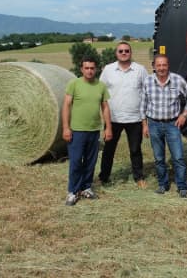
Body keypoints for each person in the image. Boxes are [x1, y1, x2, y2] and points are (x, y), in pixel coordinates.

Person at [140, 54, 187, 198]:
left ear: (168, 65)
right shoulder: (148, 81)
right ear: (154, 66)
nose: (161, 68)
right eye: (158, 65)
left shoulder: (177, 80)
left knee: (178, 157)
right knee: (159, 158)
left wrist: (184, 115)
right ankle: (162, 185)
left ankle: (182, 187)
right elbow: (143, 104)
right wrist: (144, 125)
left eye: (164, 65)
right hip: (154, 124)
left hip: (172, 124)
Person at [62, 56, 112, 206]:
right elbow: (66, 106)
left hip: (94, 130)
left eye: (92, 68)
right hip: (76, 131)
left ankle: (86, 188)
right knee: (76, 162)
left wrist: (108, 127)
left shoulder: (101, 86)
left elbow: (105, 107)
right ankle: (73, 191)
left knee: (91, 162)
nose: (89, 71)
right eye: (87, 68)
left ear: (96, 69)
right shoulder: (74, 84)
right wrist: (65, 127)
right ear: (81, 69)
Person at [98, 42, 148, 188]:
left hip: (135, 119)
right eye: (121, 51)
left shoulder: (140, 70)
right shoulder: (108, 70)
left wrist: (146, 120)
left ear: (131, 53)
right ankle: (104, 177)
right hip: (113, 118)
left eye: (127, 51)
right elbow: (101, 92)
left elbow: (147, 92)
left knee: (135, 150)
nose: (124, 53)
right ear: (116, 53)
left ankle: (138, 177)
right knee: (108, 150)